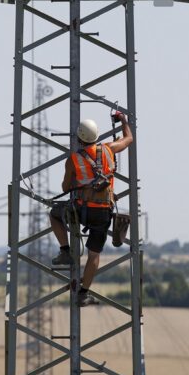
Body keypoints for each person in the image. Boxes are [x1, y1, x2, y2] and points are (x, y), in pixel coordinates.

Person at [49, 112, 133, 307]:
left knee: (54, 214)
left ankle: (65, 251)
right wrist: (123, 121)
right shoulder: (109, 150)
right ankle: (83, 293)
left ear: (79, 138)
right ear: (97, 136)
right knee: (94, 255)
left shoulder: (73, 160)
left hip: (82, 211)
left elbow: (66, 188)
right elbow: (128, 139)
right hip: (104, 212)